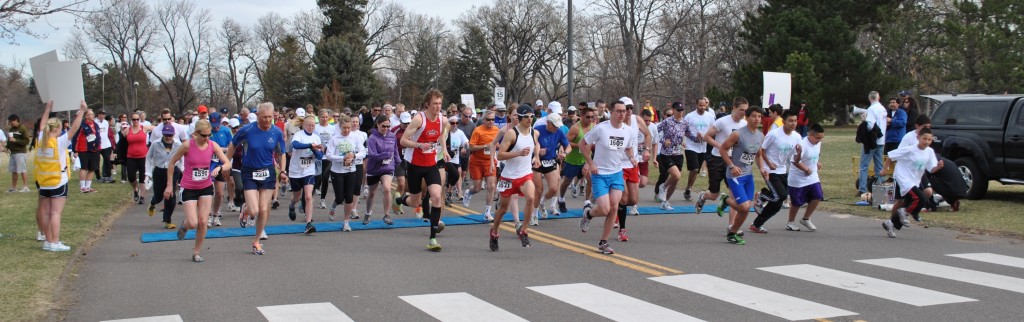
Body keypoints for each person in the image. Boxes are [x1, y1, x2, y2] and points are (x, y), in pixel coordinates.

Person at [165, 119, 231, 262]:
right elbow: (171, 163)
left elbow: (227, 162)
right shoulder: (187, 145)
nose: (207, 138)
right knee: (193, 223)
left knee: (203, 221)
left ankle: (196, 252)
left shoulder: (213, 145)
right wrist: (170, 185)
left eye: (209, 135)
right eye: (204, 135)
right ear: (196, 133)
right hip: (188, 187)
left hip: (206, 187)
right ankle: (185, 225)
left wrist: (219, 168)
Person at [226, 102, 287, 255]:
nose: (267, 120)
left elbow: (282, 153)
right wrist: (227, 163)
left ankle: (256, 241)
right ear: (258, 116)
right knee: (253, 210)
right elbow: (233, 145)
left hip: (268, 172)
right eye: (264, 117)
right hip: (249, 172)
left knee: (263, 208)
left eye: (270, 117)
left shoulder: (276, 132)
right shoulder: (247, 130)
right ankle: (245, 211)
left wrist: (283, 170)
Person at [578, 101, 635, 255]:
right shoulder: (601, 128)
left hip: (616, 173)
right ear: (611, 112)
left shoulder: (628, 130)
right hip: (600, 174)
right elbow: (582, 144)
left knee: (614, 208)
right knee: (604, 208)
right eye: (618, 111)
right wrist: (590, 163)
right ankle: (588, 214)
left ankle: (603, 242)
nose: (622, 114)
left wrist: (631, 157)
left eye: (624, 111)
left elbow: (628, 147)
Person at [394, 90, 449, 251]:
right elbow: (404, 141)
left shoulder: (443, 120)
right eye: (435, 104)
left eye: (440, 103)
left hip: (431, 164)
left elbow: (440, 137)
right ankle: (399, 200)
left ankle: (432, 239)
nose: (438, 107)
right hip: (415, 165)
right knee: (415, 202)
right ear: (427, 104)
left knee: (437, 197)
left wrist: (444, 150)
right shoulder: (419, 119)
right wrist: (419, 145)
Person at [35, 100, 86, 251]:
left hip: (44, 181)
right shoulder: (59, 142)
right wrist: (82, 111)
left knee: (45, 212)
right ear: (57, 129)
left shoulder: (40, 139)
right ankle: (55, 242)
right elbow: (75, 128)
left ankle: (48, 240)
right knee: (55, 213)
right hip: (58, 181)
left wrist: (47, 109)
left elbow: (41, 126)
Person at [488, 104, 541, 251]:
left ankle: (523, 231)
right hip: (509, 176)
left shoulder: (534, 133)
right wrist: (518, 153)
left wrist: (536, 156)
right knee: (503, 210)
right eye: (526, 117)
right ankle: (494, 232)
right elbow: (500, 154)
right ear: (519, 118)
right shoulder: (512, 134)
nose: (530, 119)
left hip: (525, 174)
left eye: (532, 116)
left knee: (531, 197)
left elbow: (536, 144)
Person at [880, 128, 943, 238]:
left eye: (929, 139)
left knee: (909, 203)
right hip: (903, 178)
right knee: (921, 198)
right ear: (918, 138)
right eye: (925, 139)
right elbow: (891, 155)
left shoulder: (929, 151)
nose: (927, 142)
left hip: (915, 180)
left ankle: (890, 223)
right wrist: (885, 169)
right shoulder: (910, 150)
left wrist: (938, 167)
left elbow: (931, 169)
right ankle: (906, 213)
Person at [719, 106, 765, 245]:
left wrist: (762, 168)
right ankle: (726, 199)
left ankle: (732, 233)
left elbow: (758, 155)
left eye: (759, 117)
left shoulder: (760, 135)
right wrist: (732, 166)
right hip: (735, 175)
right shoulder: (738, 134)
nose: (757, 119)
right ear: (747, 117)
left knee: (747, 208)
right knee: (744, 207)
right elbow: (723, 149)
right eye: (754, 116)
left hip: (748, 176)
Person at [696, 97, 749, 218]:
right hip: (717, 159)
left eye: (746, 110)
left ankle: (732, 228)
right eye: (741, 109)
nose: (743, 113)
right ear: (734, 108)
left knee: (734, 194)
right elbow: (707, 137)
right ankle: (703, 196)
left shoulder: (745, 124)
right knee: (714, 194)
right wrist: (721, 146)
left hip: (733, 161)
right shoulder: (722, 121)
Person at [749, 109, 801, 233]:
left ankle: (756, 224)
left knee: (777, 204)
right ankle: (762, 196)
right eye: (790, 121)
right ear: (783, 121)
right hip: (770, 170)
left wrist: (799, 154)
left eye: (795, 121)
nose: (793, 123)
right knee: (781, 195)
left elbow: (795, 158)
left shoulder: (797, 136)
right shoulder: (774, 134)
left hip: (782, 170)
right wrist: (768, 163)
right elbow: (762, 150)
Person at [614, 97, 653, 240]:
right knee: (623, 199)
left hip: (632, 164)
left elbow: (648, 134)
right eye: (626, 108)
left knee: (633, 200)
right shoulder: (614, 124)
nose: (629, 111)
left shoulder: (637, 120)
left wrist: (647, 150)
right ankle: (622, 230)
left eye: (630, 108)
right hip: (618, 166)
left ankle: (615, 208)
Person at [326, 115, 365, 230]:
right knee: (339, 198)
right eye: (344, 128)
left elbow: (363, 151)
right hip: (337, 171)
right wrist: (342, 158)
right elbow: (328, 155)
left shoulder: (355, 137)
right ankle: (333, 206)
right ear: (340, 127)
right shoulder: (335, 139)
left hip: (351, 170)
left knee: (349, 198)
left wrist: (354, 155)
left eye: (349, 127)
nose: (347, 130)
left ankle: (346, 222)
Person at [286, 115, 324, 234]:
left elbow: (320, 156)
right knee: (297, 197)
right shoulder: (299, 135)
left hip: (309, 170)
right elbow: (295, 145)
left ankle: (308, 223)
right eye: (308, 125)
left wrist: (314, 150)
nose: (310, 127)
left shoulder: (316, 138)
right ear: (303, 125)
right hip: (296, 170)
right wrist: (310, 146)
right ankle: (291, 205)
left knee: (308, 196)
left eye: (313, 125)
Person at [785, 124, 825, 232]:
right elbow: (794, 161)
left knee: (818, 196)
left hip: (812, 176)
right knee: (797, 202)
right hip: (798, 178)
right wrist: (806, 169)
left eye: (821, 138)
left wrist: (816, 162)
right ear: (810, 135)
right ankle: (790, 222)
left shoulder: (818, 143)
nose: (819, 140)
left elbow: (815, 154)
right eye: (817, 138)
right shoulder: (802, 145)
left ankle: (806, 218)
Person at [654, 102, 694, 209]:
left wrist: (699, 138)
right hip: (666, 153)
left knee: (676, 180)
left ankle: (665, 202)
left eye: (681, 111)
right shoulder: (667, 121)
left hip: (678, 153)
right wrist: (663, 141)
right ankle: (663, 187)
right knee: (676, 175)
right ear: (673, 110)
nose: (680, 113)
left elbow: (689, 134)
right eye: (678, 110)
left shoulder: (685, 123)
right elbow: (655, 132)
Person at [557, 107, 595, 214]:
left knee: (590, 179)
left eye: (592, 117)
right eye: (588, 117)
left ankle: (587, 202)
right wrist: (580, 145)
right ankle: (561, 198)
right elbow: (565, 142)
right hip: (573, 160)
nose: (590, 119)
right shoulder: (575, 128)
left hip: (586, 159)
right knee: (567, 181)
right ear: (581, 116)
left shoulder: (594, 126)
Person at [464, 110, 501, 221]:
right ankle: (468, 192)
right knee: (478, 187)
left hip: (489, 161)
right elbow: (471, 147)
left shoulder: (496, 130)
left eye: (493, 120)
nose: (491, 122)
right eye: (488, 119)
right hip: (477, 161)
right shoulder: (478, 130)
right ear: (484, 120)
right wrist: (485, 146)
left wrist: (496, 146)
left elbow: (498, 144)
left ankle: (487, 212)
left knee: (491, 186)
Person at [532, 112, 569, 221]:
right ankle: (534, 214)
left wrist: (565, 153)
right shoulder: (538, 130)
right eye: (555, 126)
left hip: (550, 160)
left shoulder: (559, 131)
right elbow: (530, 144)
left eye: (558, 126)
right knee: (538, 190)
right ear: (548, 123)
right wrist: (538, 151)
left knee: (554, 188)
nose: (556, 128)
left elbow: (568, 146)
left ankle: (542, 203)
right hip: (537, 161)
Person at [145, 124, 182, 228]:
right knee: (159, 196)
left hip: (173, 170)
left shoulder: (178, 144)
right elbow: (148, 158)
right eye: (166, 135)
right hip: (159, 170)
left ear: (173, 134)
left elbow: (182, 158)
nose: (168, 137)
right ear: (162, 134)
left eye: (170, 135)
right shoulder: (156, 144)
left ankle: (167, 220)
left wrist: (182, 169)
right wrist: (147, 172)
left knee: (171, 196)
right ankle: (152, 204)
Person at [365, 115, 399, 225]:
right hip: (374, 168)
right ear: (377, 125)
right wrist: (385, 155)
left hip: (387, 168)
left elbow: (395, 150)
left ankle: (386, 215)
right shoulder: (372, 138)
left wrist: (398, 162)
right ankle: (367, 213)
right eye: (383, 126)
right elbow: (373, 155)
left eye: (388, 126)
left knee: (387, 188)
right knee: (372, 193)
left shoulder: (392, 136)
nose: (386, 128)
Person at [682, 97, 716, 201]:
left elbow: (713, 131)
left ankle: (688, 188)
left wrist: (706, 137)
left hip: (703, 148)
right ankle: (688, 188)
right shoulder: (689, 116)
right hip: (690, 146)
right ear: (696, 105)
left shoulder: (710, 117)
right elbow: (684, 130)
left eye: (704, 106)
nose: (702, 107)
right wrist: (693, 137)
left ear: (706, 105)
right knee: (695, 168)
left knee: (695, 171)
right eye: (700, 105)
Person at [206, 112, 233, 227]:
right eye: (213, 125)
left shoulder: (226, 131)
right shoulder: (207, 131)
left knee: (219, 192)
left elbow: (231, 147)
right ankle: (207, 215)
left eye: (217, 124)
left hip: (221, 163)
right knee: (208, 192)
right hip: (208, 164)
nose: (215, 127)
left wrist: (220, 150)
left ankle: (215, 215)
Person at [858, 91, 887, 195]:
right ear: (878, 98)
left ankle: (862, 189)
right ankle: (881, 186)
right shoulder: (883, 109)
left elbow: (870, 126)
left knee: (864, 165)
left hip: (871, 141)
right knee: (879, 165)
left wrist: (864, 120)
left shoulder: (871, 109)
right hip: (881, 140)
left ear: (870, 98)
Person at [121, 112, 153, 204]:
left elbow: (157, 128)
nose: (135, 121)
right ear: (131, 120)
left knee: (143, 177)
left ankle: (142, 196)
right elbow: (121, 143)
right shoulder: (127, 130)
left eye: (137, 119)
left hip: (143, 156)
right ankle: (135, 189)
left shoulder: (144, 128)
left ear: (139, 120)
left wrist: (167, 123)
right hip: (131, 156)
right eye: (134, 119)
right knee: (131, 177)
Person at [72, 108, 103, 193]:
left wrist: (98, 145)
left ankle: (88, 187)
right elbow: (75, 138)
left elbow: (97, 135)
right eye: (91, 114)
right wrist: (75, 150)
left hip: (95, 149)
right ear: (86, 116)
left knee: (92, 168)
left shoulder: (95, 124)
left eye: (93, 114)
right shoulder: (82, 125)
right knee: (83, 167)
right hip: (84, 149)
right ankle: (82, 187)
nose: (93, 116)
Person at [313, 109, 337, 209]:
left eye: (326, 117)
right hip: (317, 156)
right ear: (319, 117)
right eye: (323, 117)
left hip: (327, 156)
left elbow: (334, 141)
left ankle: (322, 199)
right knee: (316, 178)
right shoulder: (315, 127)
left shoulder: (332, 128)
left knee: (325, 178)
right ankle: (309, 196)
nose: (325, 119)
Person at [390, 112, 411, 215]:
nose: (406, 125)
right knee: (401, 183)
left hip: (410, 160)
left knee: (406, 187)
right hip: (398, 159)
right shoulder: (395, 130)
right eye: (404, 123)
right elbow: (389, 143)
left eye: (408, 123)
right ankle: (398, 205)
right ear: (400, 121)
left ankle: (397, 200)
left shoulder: (413, 129)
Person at [445, 116, 469, 205]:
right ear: (448, 124)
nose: (455, 125)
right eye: (452, 123)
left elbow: (467, 143)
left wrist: (464, 147)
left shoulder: (460, 133)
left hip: (455, 158)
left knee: (454, 176)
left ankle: (448, 193)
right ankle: (449, 193)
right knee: (455, 174)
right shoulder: (445, 133)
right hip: (445, 158)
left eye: (456, 123)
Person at [7, 114, 30, 192]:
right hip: (13, 153)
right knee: (14, 171)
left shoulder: (22, 129)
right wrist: (6, 147)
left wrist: (16, 140)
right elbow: (10, 141)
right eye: (9, 122)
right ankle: (14, 188)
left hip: (20, 152)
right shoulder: (11, 129)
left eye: (11, 121)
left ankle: (26, 187)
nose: (10, 123)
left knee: (22, 170)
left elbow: (27, 141)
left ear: (16, 120)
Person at [94, 111, 115, 183]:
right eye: (102, 114)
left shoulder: (106, 122)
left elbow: (107, 133)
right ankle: (98, 177)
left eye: (104, 114)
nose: (103, 116)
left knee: (107, 161)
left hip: (106, 145)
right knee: (97, 162)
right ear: (99, 115)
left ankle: (108, 176)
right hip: (97, 145)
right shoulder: (94, 122)